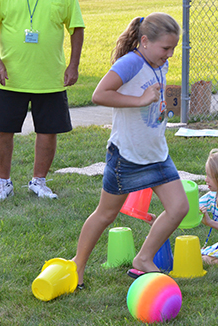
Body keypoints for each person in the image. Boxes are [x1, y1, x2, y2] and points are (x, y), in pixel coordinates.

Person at [71, 13, 187, 288]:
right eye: (165, 48)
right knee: (106, 214)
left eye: (173, 49)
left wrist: (167, 105)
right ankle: (77, 265)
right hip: (127, 156)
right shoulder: (131, 62)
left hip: (156, 152)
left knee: (179, 207)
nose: (170, 55)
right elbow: (100, 94)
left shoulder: (158, 62)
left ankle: (144, 258)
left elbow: (156, 96)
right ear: (144, 41)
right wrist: (139, 100)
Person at [0, 0, 85, 202]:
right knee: (1, 130)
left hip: (50, 77)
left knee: (48, 130)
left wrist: (74, 65)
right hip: (8, 78)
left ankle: (39, 182)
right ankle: (3, 183)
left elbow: (77, 28)